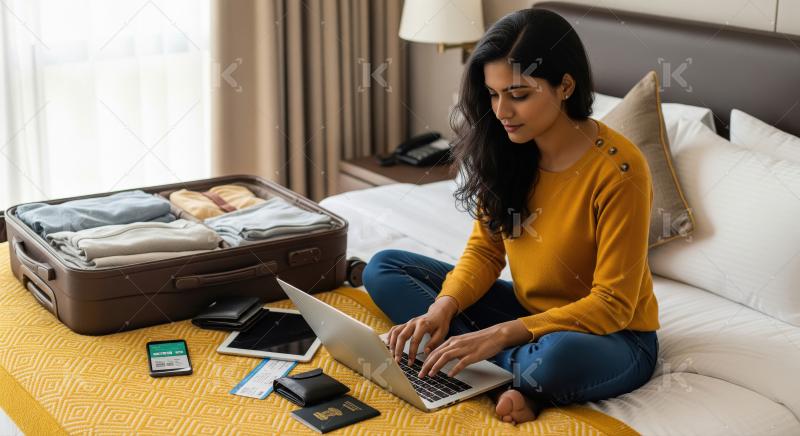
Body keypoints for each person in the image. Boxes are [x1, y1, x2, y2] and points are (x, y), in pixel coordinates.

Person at [362, 8, 660, 425]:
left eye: (519, 94)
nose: (502, 111)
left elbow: (612, 306)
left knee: (558, 357)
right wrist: (441, 310)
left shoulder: (620, 171)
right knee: (385, 267)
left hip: (613, 337)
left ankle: (490, 363)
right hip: (526, 314)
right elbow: (485, 252)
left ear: (565, 86)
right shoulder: (507, 149)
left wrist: (498, 334)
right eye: (493, 94)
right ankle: (501, 370)